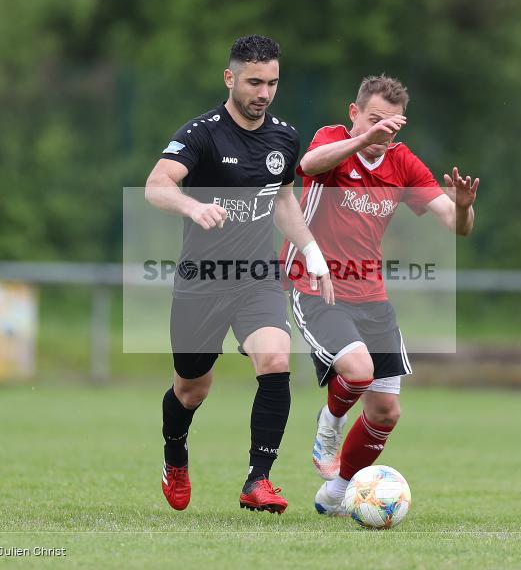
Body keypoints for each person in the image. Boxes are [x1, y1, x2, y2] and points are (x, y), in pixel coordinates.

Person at [145, 35, 333, 515]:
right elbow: (156, 185)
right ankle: (175, 455)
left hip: (257, 275)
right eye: (253, 82)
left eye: (272, 83)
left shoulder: (284, 137)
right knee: (191, 389)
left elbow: (283, 200)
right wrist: (192, 206)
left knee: (275, 359)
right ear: (230, 78)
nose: (263, 93)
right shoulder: (202, 133)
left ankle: (258, 479)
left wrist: (311, 250)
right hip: (202, 279)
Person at [278, 74, 479, 515]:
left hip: (370, 295)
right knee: (358, 370)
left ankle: (337, 492)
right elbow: (308, 164)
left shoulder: (403, 163)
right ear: (354, 113)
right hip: (316, 286)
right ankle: (329, 424)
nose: (382, 133)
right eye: (374, 121)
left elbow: (455, 224)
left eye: (391, 125)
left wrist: (463, 207)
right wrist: (363, 139)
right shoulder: (333, 140)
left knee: (387, 410)